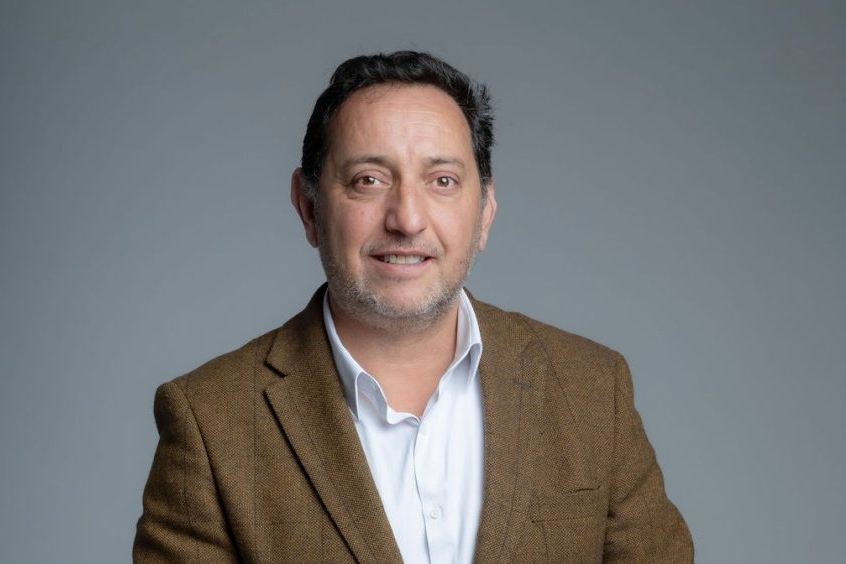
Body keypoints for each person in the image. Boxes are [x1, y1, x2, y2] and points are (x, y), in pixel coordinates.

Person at [134, 51, 693, 563]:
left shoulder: (593, 390)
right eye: (368, 180)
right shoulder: (210, 421)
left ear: (485, 212)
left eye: (442, 180)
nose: (407, 218)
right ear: (308, 207)